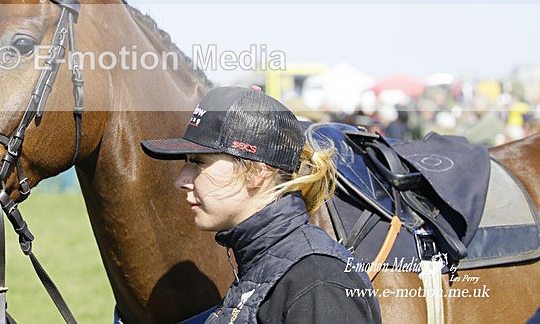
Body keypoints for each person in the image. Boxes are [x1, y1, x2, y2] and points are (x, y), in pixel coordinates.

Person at [141, 87, 381, 323]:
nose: (181, 180)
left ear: (256, 171)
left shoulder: (318, 280)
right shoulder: (264, 263)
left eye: (199, 162)